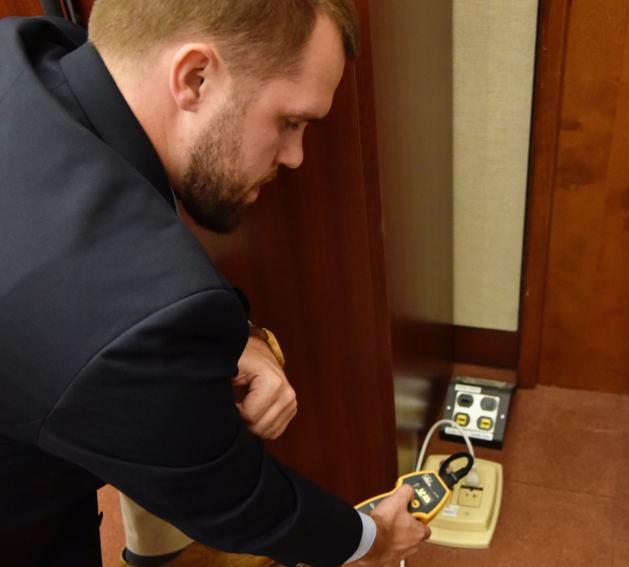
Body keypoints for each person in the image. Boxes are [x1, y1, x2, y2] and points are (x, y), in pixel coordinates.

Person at [0, 1, 430, 566]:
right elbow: (239, 503)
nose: (295, 156)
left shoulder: (29, 49)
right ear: (195, 77)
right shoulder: (134, 317)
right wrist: (372, 538)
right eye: (289, 121)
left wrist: (238, 336)